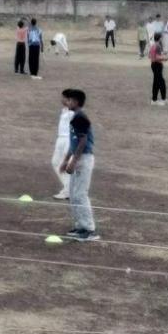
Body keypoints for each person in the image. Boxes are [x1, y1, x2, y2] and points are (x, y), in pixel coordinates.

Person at [61, 88, 99, 243]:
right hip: (78, 157)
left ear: (75, 102)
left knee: (80, 194)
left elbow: (83, 142)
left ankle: (90, 229)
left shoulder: (80, 118)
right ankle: (80, 226)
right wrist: (65, 160)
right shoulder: (75, 117)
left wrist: (72, 162)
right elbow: (74, 142)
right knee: (73, 193)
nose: (66, 102)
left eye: (69, 100)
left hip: (84, 159)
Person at [50, 95, 76, 199]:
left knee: (66, 164)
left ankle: (69, 190)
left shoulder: (73, 112)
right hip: (60, 139)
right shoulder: (65, 110)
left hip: (68, 139)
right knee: (55, 162)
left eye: (65, 98)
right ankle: (68, 188)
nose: (62, 100)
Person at [148, 34, 168, 106]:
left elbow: (150, 56)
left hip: (154, 65)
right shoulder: (158, 46)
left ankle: (155, 100)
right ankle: (163, 99)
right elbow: (157, 57)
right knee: (161, 82)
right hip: (157, 65)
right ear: (159, 38)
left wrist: (162, 54)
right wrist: (164, 58)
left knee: (156, 83)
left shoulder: (153, 45)